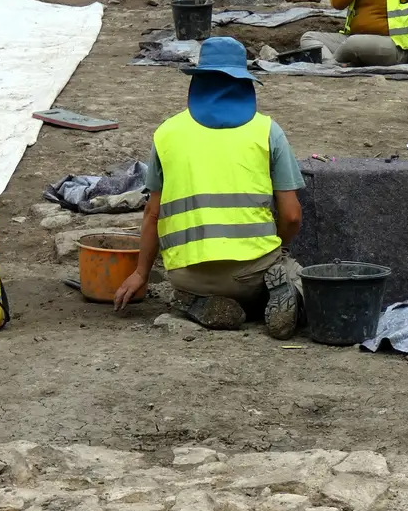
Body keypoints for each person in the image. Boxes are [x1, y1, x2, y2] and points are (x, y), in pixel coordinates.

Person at [113, 36, 306, 338]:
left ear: (197, 81)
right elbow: (292, 216)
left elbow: (152, 214)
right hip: (252, 274)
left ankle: (195, 302)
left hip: (187, 276)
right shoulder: (268, 131)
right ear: (246, 82)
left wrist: (140, 273)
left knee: (189, 289)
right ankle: (281, 290)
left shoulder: (167, 133)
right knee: (293, 273)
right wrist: (274, 250)